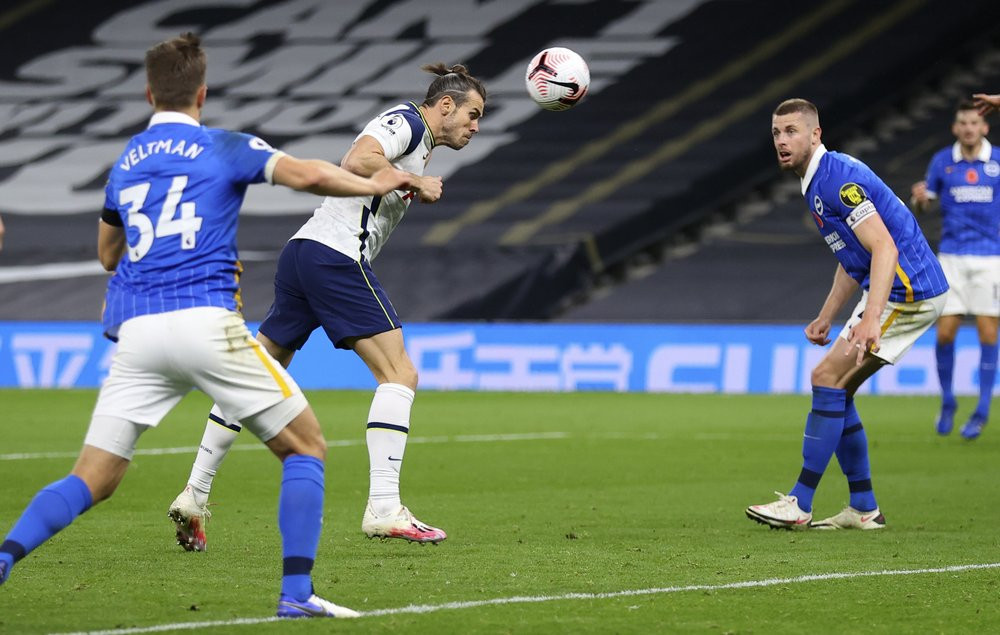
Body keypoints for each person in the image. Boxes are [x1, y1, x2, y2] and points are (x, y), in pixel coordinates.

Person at [0, 33, 414, 619]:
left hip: (137, 332)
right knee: (305, 447)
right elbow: (305, 175)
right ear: (202, 94)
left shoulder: (126, 162)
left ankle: (5, 556)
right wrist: (375, 182)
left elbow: (108, 254)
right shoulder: (224, 145)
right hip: (205, 319)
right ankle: (296, 595)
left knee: (93, 477)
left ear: (149, 94)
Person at [167, 63, 485, 552]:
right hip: (334, 255)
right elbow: (358, 159)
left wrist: (405, 178)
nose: (476, 126)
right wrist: (412, 181)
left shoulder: (418, 139)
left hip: (303, 253)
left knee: (253, 376)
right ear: (446, 105)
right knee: (399, 374)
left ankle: (194, 493)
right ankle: (384, 507)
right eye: (473, 114)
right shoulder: (408, 121)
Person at [746, 98, 949, 530]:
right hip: (894, 289)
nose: (781, 141)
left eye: (792, 131)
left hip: (908, 292)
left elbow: (884, 247)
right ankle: (863, 508)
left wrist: (872, 318)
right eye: (777, 133)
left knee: (826, 379)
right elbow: (853, 254)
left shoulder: (837, 181)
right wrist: (827, 315)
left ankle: (800, 503)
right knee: (838, 391)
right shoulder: (818, 179)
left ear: (815, 134)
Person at [910, 100, 1000, 440]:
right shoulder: (943, 161)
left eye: (974, 123)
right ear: (955, 128)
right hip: (951, 257)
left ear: (984, 127)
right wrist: (919, 200)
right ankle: (948, 400)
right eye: (963, 123)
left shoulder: (997, 161)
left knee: (988, 334)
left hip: (991, 258)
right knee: (945, 333)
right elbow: (925, 203)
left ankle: (982, 409)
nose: (968, 128)